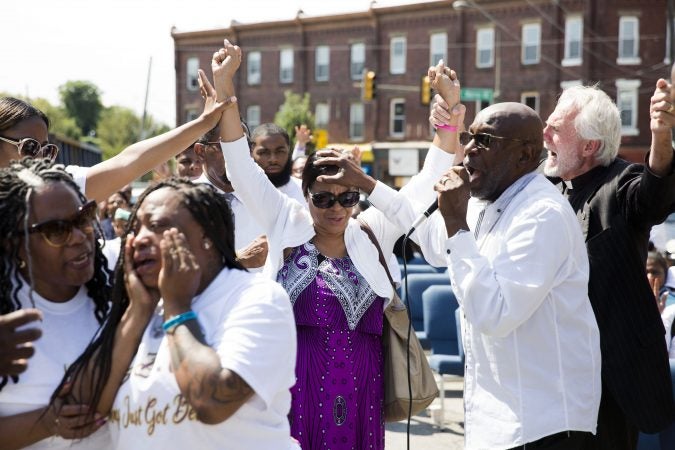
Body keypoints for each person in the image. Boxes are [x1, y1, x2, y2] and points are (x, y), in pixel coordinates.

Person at [213, 40, 459, 449]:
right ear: (304, 195)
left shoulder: (370, 233)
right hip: (291, 394)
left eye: (347, 198)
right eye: (323, 198)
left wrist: (449, 114)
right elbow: (240, 167)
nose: (336, 208)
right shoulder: (285, 223)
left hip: (362, 392)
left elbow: (422, 187)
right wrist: (225, 90)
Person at [56, 178, 298, 449]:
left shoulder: (257, 298)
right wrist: (137, 313)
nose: (139, 238)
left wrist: (178, 309)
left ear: (207, 236)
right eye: (135, 228)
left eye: (158, 226)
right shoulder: (140, 308)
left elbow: (212, 402)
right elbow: (81, 410)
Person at [541, 74, 675, 448]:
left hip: (611, 383)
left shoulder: (619, 183)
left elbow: (653, 195)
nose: (545, 135)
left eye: (555, 129)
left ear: (589, 145)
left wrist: (661, 135)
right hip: (551, 382)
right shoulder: (544, 188)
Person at [0, 158, 111, 449]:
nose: (79, 237)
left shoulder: (117, 288)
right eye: (56, 230)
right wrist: (48, 423)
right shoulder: (6, 317)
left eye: (83, 218)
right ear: (16, 243)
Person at [0, 70, 230, 203]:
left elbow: (129, 162)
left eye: (47, 150)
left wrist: (203, 124)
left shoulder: (57, 189)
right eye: (29, 147)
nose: (40, 158)